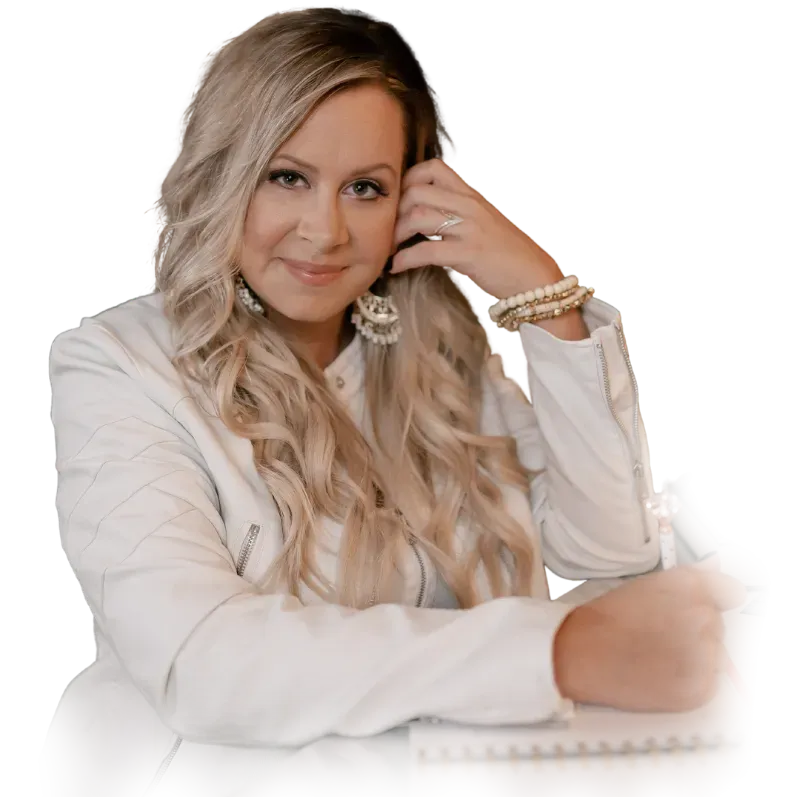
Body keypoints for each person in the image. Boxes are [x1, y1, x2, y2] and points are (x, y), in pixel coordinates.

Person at [41, 7, 747, 796]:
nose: (325, 231)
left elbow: (606, 555)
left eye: (365, 188)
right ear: (222, 176)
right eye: (287, 177)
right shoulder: (118, 364)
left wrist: (544, 298)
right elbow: (200, 662)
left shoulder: (439, 354)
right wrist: (558, 651)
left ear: (409, 202)